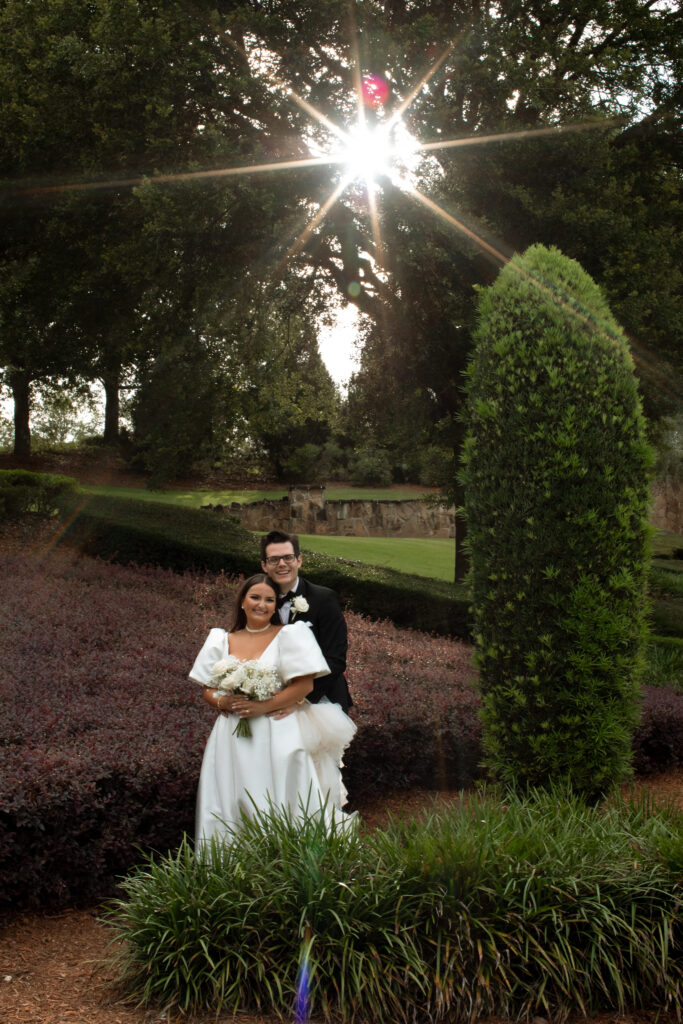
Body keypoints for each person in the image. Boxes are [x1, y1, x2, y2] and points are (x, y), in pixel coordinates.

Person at [189, 573, 356, 847]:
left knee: (280, 792)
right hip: (232, 734)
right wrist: (223, 702)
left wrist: (261, 707)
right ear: (242, 602)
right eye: (255, 597)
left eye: (269, 600)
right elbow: (208, 688)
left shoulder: (290, 635)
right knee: (233, 790)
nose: (262, 605)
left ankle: (289, 854)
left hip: (277, 728)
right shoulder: (222, 639)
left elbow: (303, 686)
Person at [260, 530, 353, 713]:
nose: (282, 564)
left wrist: (297, 699)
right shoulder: (258, 601)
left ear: (299, 560)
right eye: (274, 560)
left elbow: (335, 660)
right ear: (264, 565)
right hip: (271, 700)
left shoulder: (324, 599)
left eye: (288, 557)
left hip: (321, 701)